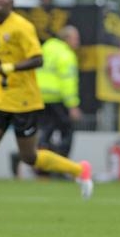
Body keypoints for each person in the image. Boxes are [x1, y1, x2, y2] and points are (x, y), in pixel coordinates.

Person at [0, 0, 93, 222]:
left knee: (30, 157)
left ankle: (79, 170)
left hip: (24, 100)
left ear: (12, 2)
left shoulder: (22, 26)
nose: (0, 0)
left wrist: (7, 69)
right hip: (0, 99)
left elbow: (37, 59)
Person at [36, 25, 81, 160]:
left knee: (46, 130)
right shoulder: (66, 55)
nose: (78, 42)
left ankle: (41, 165)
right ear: (66, 38)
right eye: (75, 38)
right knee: (67, 131)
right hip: (57, 98)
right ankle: (61, 164)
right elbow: (68, 82)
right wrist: (72, 105)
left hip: (40, 97)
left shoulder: (47, 47)